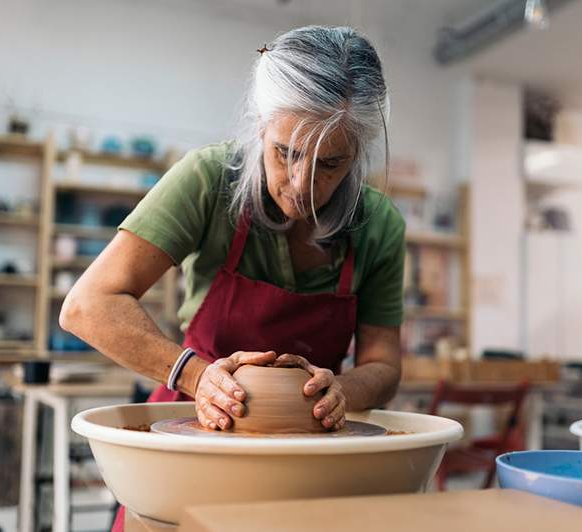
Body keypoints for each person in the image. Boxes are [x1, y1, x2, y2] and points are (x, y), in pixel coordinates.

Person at [59, 25, 405, 529]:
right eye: (286, 152)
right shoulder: (208, 179)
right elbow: (87, 305)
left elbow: (384, 365)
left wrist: (344, 393)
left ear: (359, 155)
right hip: (192, 435)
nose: (304, 184)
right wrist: (197, 376)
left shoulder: (378, 225)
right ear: (261, 126)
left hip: (306, 457)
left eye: (331, 163)